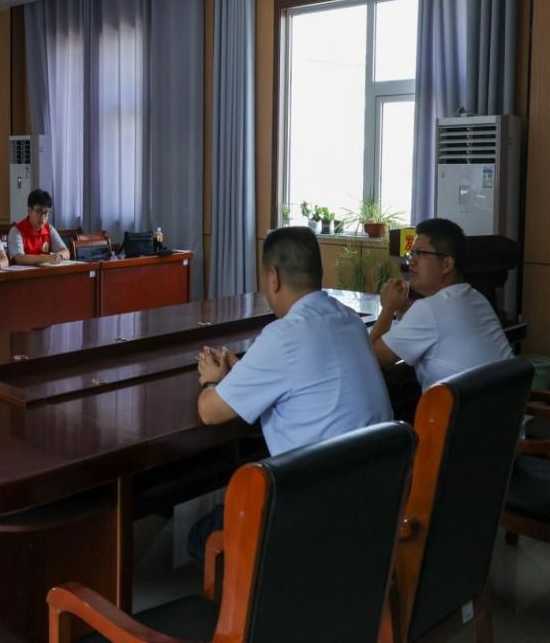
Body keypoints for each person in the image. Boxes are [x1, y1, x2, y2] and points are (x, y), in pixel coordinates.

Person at [188, 226, 391, 563]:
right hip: (374, 500)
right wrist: (243, 375)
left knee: (201, 536)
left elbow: (209, 412)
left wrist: (212, 381)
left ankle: (254, 598)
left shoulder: (283, 334)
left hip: (315, 512)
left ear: (273, 277)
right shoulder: (350, 321)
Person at [370, 217, 512, 391]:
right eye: (412, 253)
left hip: (458, 408)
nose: (411, 261)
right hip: (503, 406)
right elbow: (429, 330)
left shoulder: (429, 310)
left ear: (446, 264)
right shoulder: (476, 298)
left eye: (420, 253)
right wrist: (401, 307)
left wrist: (388, 308)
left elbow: (370, 358)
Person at [7, 188, 70, 265]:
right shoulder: (16, 231)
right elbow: (19, 258)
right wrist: (46, 258)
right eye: (39, 211)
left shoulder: (49, 229)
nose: (43, 217)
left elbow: (66, 252)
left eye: (46, 212)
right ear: (29, 210)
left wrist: (57, 256)